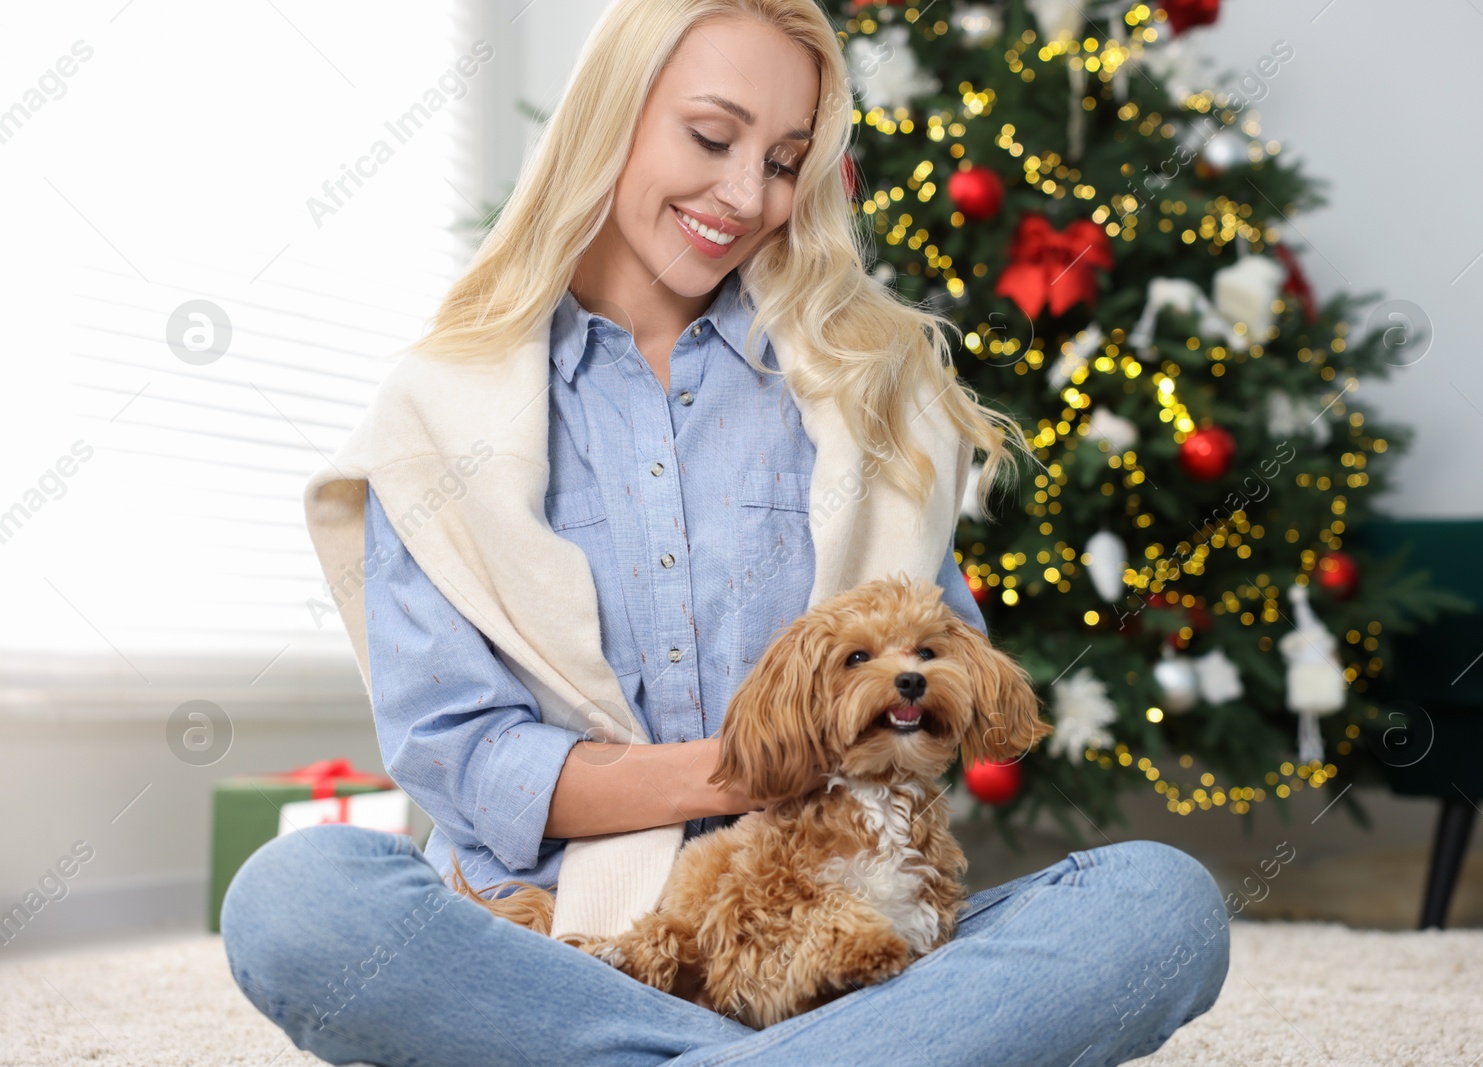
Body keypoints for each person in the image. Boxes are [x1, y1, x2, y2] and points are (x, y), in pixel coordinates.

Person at [220, 2, 1229, 1064]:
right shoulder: (441, 409)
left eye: (786, 161)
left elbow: (932, 681)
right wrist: (755, 768)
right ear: (610, 117)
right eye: (711, 138)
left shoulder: (864, 391)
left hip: (837, 935)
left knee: (1159, 905)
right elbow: (463, 757)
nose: (746, 196)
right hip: (559, 946)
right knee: (298, 900)